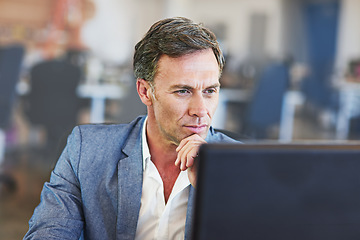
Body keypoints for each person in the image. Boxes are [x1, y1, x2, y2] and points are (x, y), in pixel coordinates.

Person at [24, 17, 238, 240]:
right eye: (183, 91)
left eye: (210, 91)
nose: (201, 110)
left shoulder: (243, 165)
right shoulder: (85, 151)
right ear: (145, 91)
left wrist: (213, 190)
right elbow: (49, 233)